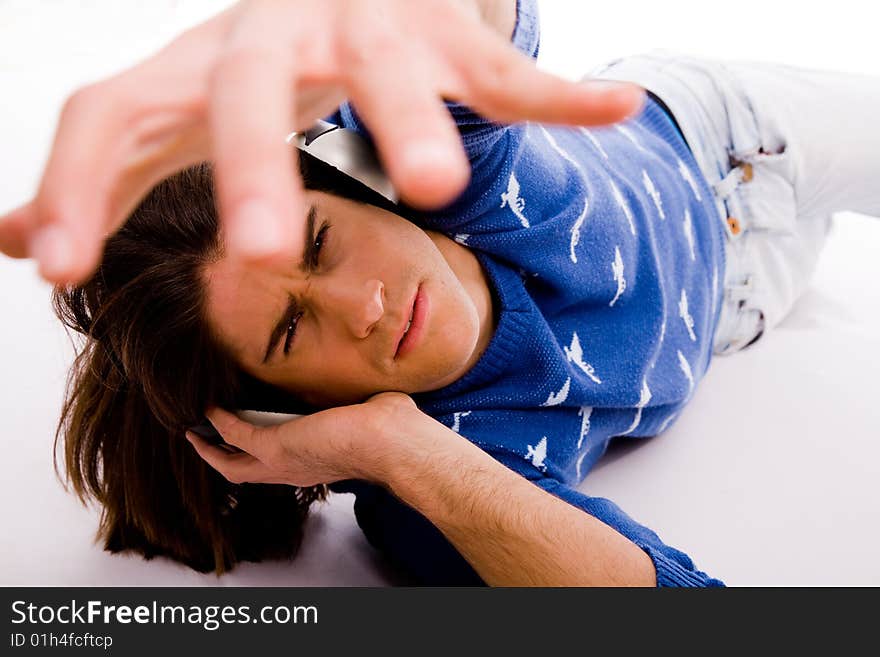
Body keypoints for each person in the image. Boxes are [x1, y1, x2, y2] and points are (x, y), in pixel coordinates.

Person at [2, 0, 878, 587]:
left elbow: (457, 25)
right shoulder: (429, 490)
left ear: (347, 189)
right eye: (291, 332)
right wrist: (396, 449)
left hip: (727, 130)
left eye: (320, 244)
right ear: (284, 412)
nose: (364, 305)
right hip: (749, 303)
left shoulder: (423, 165)